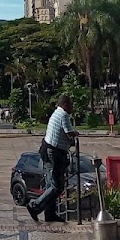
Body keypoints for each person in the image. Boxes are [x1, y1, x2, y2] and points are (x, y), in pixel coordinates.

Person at [27, 94, 78, 223]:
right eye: (70, 104)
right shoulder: (63, 115)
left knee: (51, 184)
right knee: (57, 186)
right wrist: (75, 133)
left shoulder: (56, 113)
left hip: (48, 150)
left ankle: (50, 214)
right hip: (54, 152)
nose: (71, 107)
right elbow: (69, 133)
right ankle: (35, 206)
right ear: (65, 104)